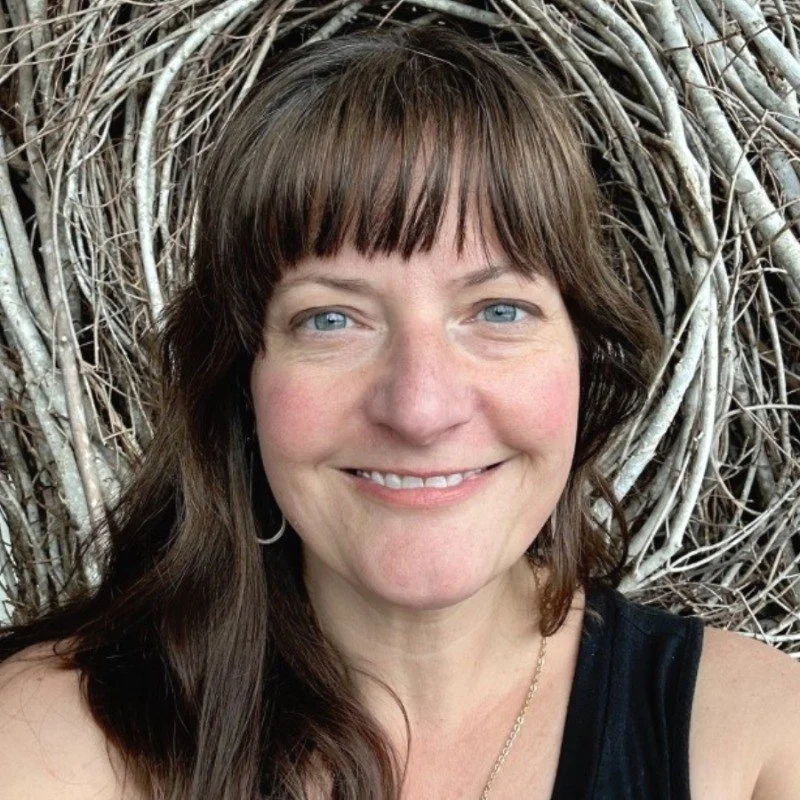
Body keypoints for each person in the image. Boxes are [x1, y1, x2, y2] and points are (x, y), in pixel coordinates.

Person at [0, 25, 798, 800]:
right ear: (240, 378)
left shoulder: (757, 744)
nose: (420, 409)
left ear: (585, 360)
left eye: (498, 311)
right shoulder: (52, 743)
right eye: (332, 319)